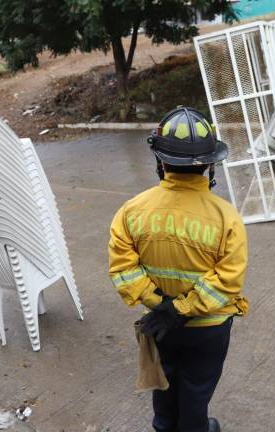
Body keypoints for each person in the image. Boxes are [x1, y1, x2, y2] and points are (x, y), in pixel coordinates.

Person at [108, 107, 249, 432]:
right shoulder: (226, 217)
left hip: (160, 326)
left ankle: (164, 427)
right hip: (208, 329)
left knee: (164, 383)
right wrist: (183, 309)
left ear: (160, 161)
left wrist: (163, 307)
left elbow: (123, 270)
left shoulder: (131, 211)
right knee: (196, 392)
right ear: (210, 164)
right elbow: (226, 283)